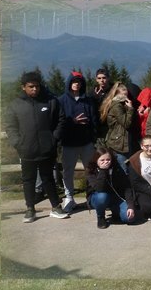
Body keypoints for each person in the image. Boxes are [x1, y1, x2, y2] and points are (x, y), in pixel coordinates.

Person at [4, 71, 69, 223]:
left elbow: (61, 120)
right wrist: (18, 143)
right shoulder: (15, 105)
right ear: (23, 87)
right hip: (26, 150)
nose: (34, 89)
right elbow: (10, 126)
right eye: (31, 86)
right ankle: (30, 209)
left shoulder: (50, 101)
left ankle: (56, 207)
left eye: (37, 86)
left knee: (48, 179)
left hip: (47, 149)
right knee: (28, 180)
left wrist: (54, 139)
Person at [56, 71, 98, 213]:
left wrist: (93, 139)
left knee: (91, 170)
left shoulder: (88, 100)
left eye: (79, 82)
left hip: (87, 143)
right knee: (68, 172)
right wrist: (72, 122)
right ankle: (69, 198)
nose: (76, 84)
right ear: (69, 83)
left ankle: (91, 196)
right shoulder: (61, 100)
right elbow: (58, 121)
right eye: (74, 81)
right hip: (69, 143)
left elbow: (94, 120)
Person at [85, 147, 135, 229]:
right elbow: (99, 188)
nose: (106, 162)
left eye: (108, 160)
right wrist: (103, 171)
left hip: (115, 197)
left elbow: (127, 187)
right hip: (97, 197)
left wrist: (130, 206)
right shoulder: (91, 171)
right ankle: (101, 217)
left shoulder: (117, 168)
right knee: (102, 196)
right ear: (96, 160)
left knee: (130, 218)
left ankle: (116, 213)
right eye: (102, 160)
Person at [100, 82, 135, 170]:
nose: (126, 96)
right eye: (124, 94)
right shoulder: (117, 106)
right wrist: (130, 109)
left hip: (118, 141)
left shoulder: (120, 104)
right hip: (119, 144)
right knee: (123, 170)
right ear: (117, 94)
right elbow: (126, 123)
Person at [89, 68, 111, 142]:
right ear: (96, 79)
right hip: (97, 125)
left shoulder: (113, 91)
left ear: (108, 78)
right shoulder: (93, 92)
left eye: (104, 78)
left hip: (110, 125)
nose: (102, 80)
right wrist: (95, 98)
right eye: (99, 78)